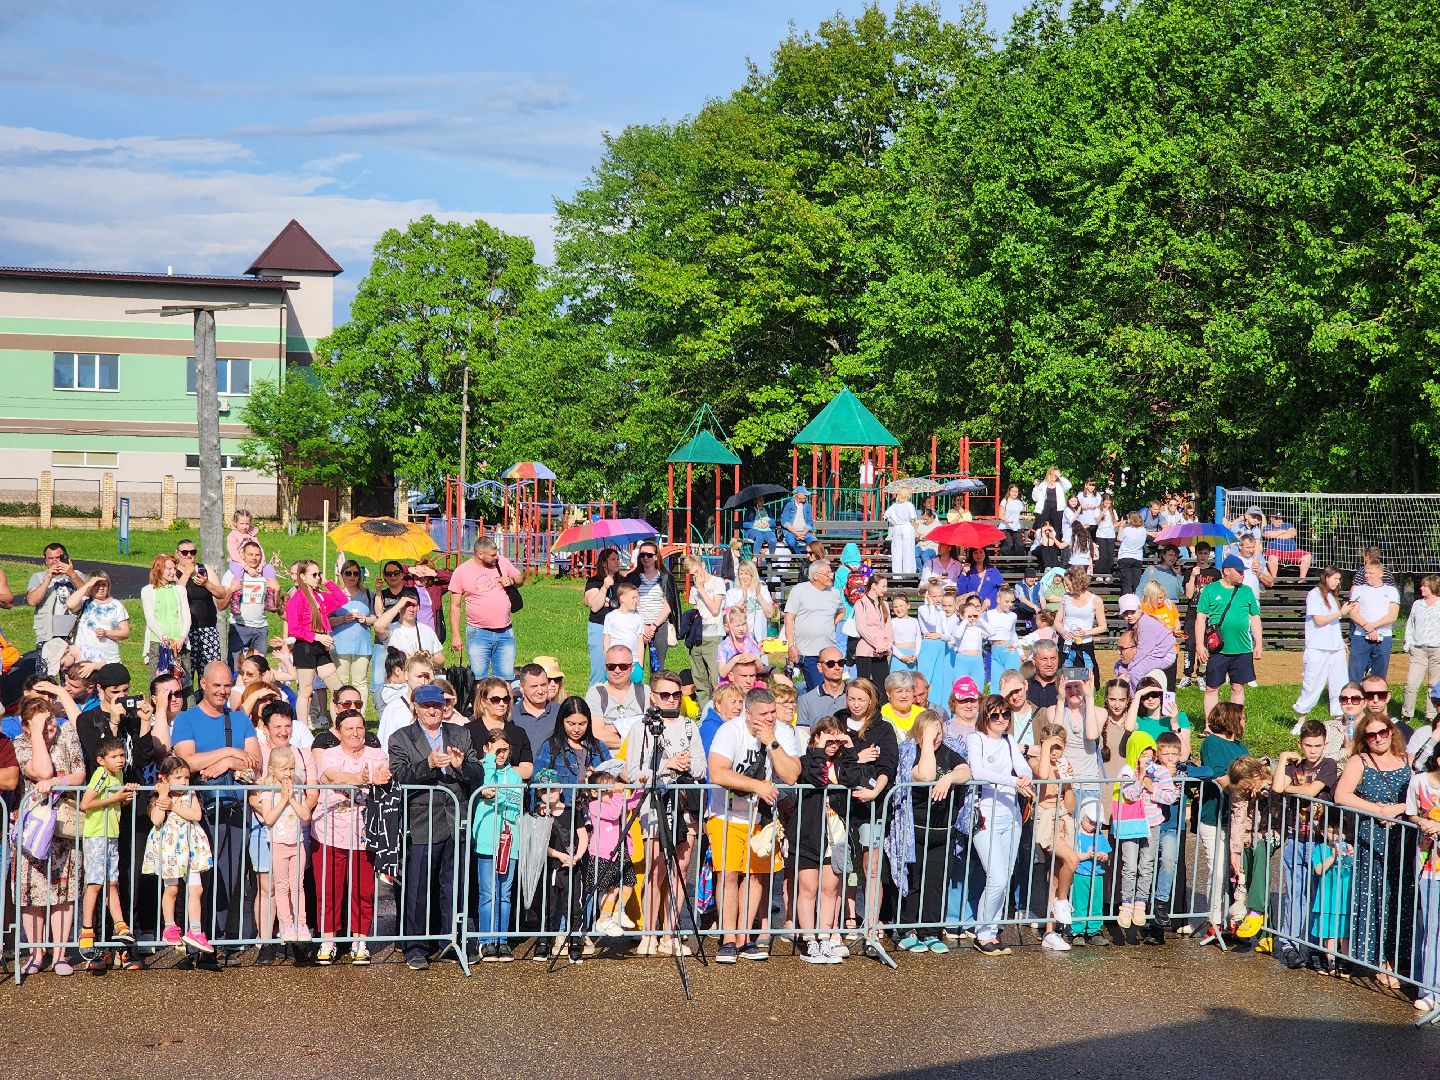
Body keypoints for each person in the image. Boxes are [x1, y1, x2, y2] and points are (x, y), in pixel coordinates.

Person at [389, 682, 483, 971]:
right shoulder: (401, 738)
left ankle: (449, 941)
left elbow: (477, 773)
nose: (432, 710)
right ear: (415, 707)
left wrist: (459, 767)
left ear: (445, 707)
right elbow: (400, 776)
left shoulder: (461, 733)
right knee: (417, 887)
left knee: (453, 886)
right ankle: (415, 946)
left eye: (437, 705)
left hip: (455, 820)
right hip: (422, 821)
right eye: (426, 705)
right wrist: (428, 764)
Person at [171, 662, 260, 961]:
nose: (222, 691)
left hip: (233, 809)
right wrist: (230, 753)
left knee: (228, 876)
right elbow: (187, 762)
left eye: (227, 685)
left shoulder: (240, 719)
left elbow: (255, 763)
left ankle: (217, 943)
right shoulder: (186, 719)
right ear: (204, 685)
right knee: (197, 879)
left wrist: (225, 764)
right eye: (216, 685)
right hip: (197, 811)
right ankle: (194, 939)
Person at [705, 687, 801, 963]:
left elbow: (792, 774)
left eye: (772, 713)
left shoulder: (781, 732)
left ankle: (745, 936)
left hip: (763, 817)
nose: (769, 718)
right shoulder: (730, 731)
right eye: (763, 714)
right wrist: (756, 785)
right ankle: (728, 938)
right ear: (748, 714)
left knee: (757, 875)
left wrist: (771, 741)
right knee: (730, 874)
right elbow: (717, 771)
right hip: (728, 814)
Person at [622, 669, 705, 956]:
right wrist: (668, 765)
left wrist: (686, 764)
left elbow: (701, 766)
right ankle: (650, 933)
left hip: (685, 805)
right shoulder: (641, 728)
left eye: (676, 694)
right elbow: (633, 772)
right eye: (665, 695)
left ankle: (671, 931)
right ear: (654, 697)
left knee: (680, 868)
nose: (671, 700)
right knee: (656, 870)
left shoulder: (690, 726)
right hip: (656, 806)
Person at [1335, 714, 1412, 989]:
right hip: (1373, 840)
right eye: (1371, 735)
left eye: (1383, 732)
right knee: (1376, 900)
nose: (1378, 738)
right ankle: (1379, 960)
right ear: (1363, 739)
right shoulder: (1360, 761)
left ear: (1392, 731)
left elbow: (1415, 797)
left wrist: (1399, 809)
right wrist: (1379, 810)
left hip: (1404, 842)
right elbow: (1341, 796)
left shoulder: (1406, 759)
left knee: (1400, 899)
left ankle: (1399, 958)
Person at [16, 693, 86, 975]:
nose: (49, 726)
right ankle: (35, 953)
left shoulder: (67, 737)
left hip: (63, 828)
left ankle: (60, 954)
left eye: (50, 719)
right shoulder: (21, 744)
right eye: (42, 722)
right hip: (33, 830)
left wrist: (58, 781)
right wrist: (35, 733)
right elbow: (40, 769)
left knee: (63, 892)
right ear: (26, 726)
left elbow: (80, 773)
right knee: (31, 894)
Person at [792, 717, 869, 963]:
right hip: (809, 832)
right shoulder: (806, 761)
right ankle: (808, 941)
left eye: (837, 739)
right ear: (815, 737)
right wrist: (818, 749)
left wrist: (849, 747)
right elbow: (817, 778)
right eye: (828, 739)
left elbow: (853, 777)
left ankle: (825, 938)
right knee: (808, 888)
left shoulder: (842, 761)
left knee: (829, 888)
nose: (833, 744)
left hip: (836, 834)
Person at [892, 709, 969, 954]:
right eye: (932, 731)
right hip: (914, 831)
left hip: (942, 831)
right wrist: (925, 741)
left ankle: (931, 931)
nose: (937, 736)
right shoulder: (910, 753)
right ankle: (908, 929)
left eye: (939, 731)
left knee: (936, 882)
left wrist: (949, 778)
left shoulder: (948, 752)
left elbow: (966, 771)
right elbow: (924, 775)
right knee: (912, 881)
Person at [965, 694, 1035, 956]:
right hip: (986, 816)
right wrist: (1014, 781)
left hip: (1012, 816)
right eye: (995, 715)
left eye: (1005, 714)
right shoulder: (976, 739)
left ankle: (991, 931)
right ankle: (981, 932)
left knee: (1003, 879)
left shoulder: (1009, 741)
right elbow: (979, 771)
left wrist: (1025, 777)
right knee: (997, 877)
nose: (1001, 719)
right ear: (986, 716)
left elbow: (1023, 767)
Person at [1269, 720, 1340, 967]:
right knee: (1295, 893)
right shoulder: (1293, 766)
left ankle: (1309, 944)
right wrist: (1282, 758)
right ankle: (1289, 943)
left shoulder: (1329, 765)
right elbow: (1278, 786)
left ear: (1325, 744)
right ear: (1300, 744)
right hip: (1295, 838)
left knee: (1316, 894)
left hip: (1319, 840)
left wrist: (1293, 788)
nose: (1312, 751)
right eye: (1308, 745)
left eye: (1317, 745)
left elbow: (1312, 792)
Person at [143, 754, 214, 955]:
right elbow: (156, 820)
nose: (183, 782)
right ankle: (170, 926)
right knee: (172, 889)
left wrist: (175, 806)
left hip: (189, 847)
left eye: (186, 778)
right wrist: (164, 797)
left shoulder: (189, 794)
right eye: (178, 778)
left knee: (196, 889)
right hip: (170, 849)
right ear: (164, 779)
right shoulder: (160, 798)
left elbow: (197, 815)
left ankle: (196, 931)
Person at [1112, 731, 1178, 946]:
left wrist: (1153, 787)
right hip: (1132, 825)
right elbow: (1128, 795)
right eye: (1143, 754)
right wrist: (1141, 780)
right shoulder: (1126, 770)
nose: (1147, 758)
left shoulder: (1160, 772)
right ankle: (1126, 905)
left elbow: (1171, 796)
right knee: (1130, 865)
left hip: (1153, 824)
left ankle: (1141, 903)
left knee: (1147, 865)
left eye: (1150, 753)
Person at [1194, 703, 1250, 944]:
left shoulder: (1240, 745)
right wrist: (1246, 781)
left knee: (1235, 872)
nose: (1245, 721)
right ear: (1230, 718)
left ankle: (1233, 919)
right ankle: (1213, 920)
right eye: (1242, 717)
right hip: (1213, 815)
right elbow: (1221, 777)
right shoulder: (1212, 743)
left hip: (1236, 819)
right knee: (1217, 870)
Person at [77, 735, 138, 957]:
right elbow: (86, 803)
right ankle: (86, 930)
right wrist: (115, 799)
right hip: (97, 835)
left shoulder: (118, 774)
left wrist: (126, 795)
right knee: (95, 883)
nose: (120, 760)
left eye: (122, 755)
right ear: (101, 760)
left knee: (112, 882)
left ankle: (121, 924)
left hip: (111, 835)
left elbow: (118, 798)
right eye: (114, 756)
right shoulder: (101, 774)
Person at [472, 727, 523, 961]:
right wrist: (489, 762)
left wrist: (497, 796)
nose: (501, 754)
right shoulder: (482, 768)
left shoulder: (513, 775)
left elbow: (514, 803)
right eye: (497, 750)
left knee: (504, 893)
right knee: (488, 893)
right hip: (486, 839)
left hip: (509, 839)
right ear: (487, 749)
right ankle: (486, 940)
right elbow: (484, 787)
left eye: (505, 750)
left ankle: (501, 940)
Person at [1026, 722, 1079, 950]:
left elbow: (1071, 805)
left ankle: (1050, 931)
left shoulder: (1066, 765)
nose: (1056, 752)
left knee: (1056, 876)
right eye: (1052, 746)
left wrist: (1067, 783)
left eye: (1059, 747)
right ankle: (1062, 902)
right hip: (1045, 819)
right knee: (1072, 859)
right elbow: (1045, 776)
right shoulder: (1036, 762)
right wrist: (1046, 749)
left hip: (1064, 819)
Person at [1195, 555, 1263, 716]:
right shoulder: (1210, 590)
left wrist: (1258, 644)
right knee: (1212, 687)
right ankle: (1209, 726)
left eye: (1243, 571)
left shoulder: (1246, 591)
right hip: (1218, 648)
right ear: (1226, 571)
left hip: (1242, 649)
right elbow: (1201, 618)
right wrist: (1199, 644)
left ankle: (1235, 725)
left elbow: (1255, 618)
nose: (1242, 574)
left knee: (1237, 687)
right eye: (1238, 571)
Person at [448, 536, 523, 683]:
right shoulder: (462, 571)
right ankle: (480, 706)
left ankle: (502, 704)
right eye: (492, 555)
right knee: (478, 678)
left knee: (506, 678)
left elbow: (520, 578)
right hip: (478, 632)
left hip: (505, 632)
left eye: (497, 554)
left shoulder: (502, 562)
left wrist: (512, 581)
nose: (496, 557)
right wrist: (456, 636)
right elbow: (455, 606)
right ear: (480, 554)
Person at [285, 560, 346, 730]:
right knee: (306, 691)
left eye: (319, 574)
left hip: (320, 648)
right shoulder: (296, 599)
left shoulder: (319, 595)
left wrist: (326, 581)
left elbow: (341, 599)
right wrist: (317, 637)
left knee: (337, 689)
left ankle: (339, 727)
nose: (317, 577)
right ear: (302, 577)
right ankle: (302, 730)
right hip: (305, 648)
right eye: (314, 575)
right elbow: (294, 629)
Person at [1292, 567, 1352, 732]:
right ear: (1326, 577)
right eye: (1335, 578)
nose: (1337, 582)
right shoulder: (1314, 594)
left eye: (1339, 579)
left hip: (1335, 648)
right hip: (1318, 648)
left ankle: (1341, 721)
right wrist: (1341, 612)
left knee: (1340, 684)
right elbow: (1319, 620)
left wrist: (1341, 642)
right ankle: (1300, 721)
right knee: (1312, 684)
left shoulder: (1333, 597)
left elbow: (1333, 625)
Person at [1405, 747, 1440, 1011]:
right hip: (1428, 867)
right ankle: (1428, 989)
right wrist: (1423, 822)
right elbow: (1411, 812)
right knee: (1430, 929)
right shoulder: (1419, 781)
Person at [176, 540, 228, 696]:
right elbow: (175, 594)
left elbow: (221, 593)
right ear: (177, 553)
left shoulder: (204, 569)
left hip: (208, 631)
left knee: (210, 673)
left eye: (193, 552)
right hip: (186, 633)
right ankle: (188, 706)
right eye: (185, 553)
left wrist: (206, 584)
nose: (189, 556)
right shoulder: (174, 571)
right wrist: (186, 573)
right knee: (187, 673)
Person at [784, 560, 844, 690]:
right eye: (827, 573)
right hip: (808, 652)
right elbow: (789, 618)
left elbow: (842, 611)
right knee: (817, 689)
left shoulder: (834, 593)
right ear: (816, 576)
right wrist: (791, 646)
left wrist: (830, 624)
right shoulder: (799, 590)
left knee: (833, 687)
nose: (831, 575)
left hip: (829, 651)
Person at [221, 539, 279, 668]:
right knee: (236, 667)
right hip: (239, 626)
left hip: (261, 628)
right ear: (242, 555)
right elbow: (221, 605)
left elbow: (274, 608)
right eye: (250, 554)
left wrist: (277, 590)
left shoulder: (265, 574)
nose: (254, 558)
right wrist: (231, 590)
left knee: (260, 668)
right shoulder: (232, 574)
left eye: (257, 555)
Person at [625, 541, 680, 675]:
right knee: (635, 665)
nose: (645, 558)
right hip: (638, 625)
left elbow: (668, 605)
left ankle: (655, 693)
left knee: (657, 667)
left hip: (659, 626)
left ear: (656, 557)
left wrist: (653, 626)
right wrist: (642, 627)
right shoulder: (633, 578)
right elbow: (628, 604)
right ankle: (637, 693)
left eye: (649, 555)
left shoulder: (666, 578)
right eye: (642, 555)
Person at [328, 560, 375, 714]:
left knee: (360, 682)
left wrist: (366, 619)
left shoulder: (368, 594)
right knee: (340, 683)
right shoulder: (334, 596)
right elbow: (326, 621)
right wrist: (343, 619)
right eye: (348, 573)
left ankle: (358, 715)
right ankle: (340, 715)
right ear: (342, 575)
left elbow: (376, 617)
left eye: (356, 573)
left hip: (362, 646)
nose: (352, 576)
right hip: (340, 645)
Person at [1310, 813, 1354, 978]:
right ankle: (1331, 961)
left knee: (1344, 932)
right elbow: (1318, 870)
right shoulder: (1320, 849)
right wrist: (1333, 857)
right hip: (1328, 898)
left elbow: (1353, 868)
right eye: (1331, 831)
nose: (1336, 835)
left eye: (1339, 831)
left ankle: (1345, 961)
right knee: (1329, 932)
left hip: (1345, 899)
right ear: (1323, 832)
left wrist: (1352, 855)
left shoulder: (1348, 847)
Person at [468, 676, 534, 781]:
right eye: (495, 699)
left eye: (506, 699)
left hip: (511, 794)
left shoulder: (518, 732)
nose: (502, 704)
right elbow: (467, 769)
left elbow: (527, 770)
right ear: (483, 702)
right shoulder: (468, 731)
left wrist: (500, 769)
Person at [584, 645, 648, 751]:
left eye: (623, 666)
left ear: (632, 668)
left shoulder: (645, 692)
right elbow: (596, 735)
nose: (617, 670)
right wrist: (636, 734)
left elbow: (652, 732)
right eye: (611, 666)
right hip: (607, 763)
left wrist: (611, 728)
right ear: (605, 667)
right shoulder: (595, 694)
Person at [141, 552, 192, 683]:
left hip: (179, 644)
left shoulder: (180, 590)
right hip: (159, 642)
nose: (173, 571)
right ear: (159, 569)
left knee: (183, 682)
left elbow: (187, 617)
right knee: (158, 682)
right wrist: (164, 637)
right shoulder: (148, 591)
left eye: (174, 568)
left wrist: (182, 638)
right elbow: (150, 619)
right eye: (169, 568)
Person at [26, 542, 85, 650]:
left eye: (58, 558)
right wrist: (47, 579)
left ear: (66, 558)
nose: (55, 562)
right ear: (46, 561)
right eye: (51, 558)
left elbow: (90, 593)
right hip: (47, 635)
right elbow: (32, 601)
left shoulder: (77, 575)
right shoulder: (38, 577)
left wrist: (72, 574)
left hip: (76, 636)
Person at [1069, 800, 1111, 946]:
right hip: (1080, 874)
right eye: (1090, 821)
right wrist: (1090, 855)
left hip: (1097, 874)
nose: (1093, 826)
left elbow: (1106, 853)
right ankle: (1078, 931)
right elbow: (1073, 854)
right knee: (1080, 903)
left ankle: (1094, 930)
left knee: (1096, 903)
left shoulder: (1099, 836)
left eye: (1096, 823)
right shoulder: (1076, 835)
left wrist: (1104, 856)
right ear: (1082, 817)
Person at [64, 572, 128, 666]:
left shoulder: (116, 605)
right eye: (96, 585)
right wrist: (87, 585)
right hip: (84, 659)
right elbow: (70, 604)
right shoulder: (84, 602)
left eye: (104, 585)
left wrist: (106, 633)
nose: (101, 588)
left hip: (109, 659)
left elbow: (125, 632)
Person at [1115, 593, 1175, 691]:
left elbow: (1143, 650)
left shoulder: (1145, 625)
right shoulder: (1134, 623)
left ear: (1140, 609)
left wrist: (1129, 667)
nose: (1129, 616)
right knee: (1118, 666)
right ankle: (1126, 693)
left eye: (1132, 612)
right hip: (1152, 653)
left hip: (1164, 655)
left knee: (1135, 672)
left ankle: (1137, 696)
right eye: (1125, 614)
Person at [1403, 575, 1440, 724]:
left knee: (1433, 684)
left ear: (1432, 587)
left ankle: (1431, 716)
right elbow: (1410, 624)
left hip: (1437, 650)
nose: (1421, 588)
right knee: (1411, 683)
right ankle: (1406, 714)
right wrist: (1409, 643)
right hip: (1418, 649)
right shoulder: (1417, 604)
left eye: (1424, 586)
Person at [377, 653, 433, 749]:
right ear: (407, 675)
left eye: (427, 677)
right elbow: (385, 744)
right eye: (419, 676)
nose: (423, 682)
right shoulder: (394, 708)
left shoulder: (436, 707)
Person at [582, 548, 621, 687]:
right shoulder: (594, 582)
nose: (617, 562)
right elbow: (595, 606)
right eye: (613, 559)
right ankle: (595, 701)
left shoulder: (622, 582)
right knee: (599, 668)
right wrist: (604, 587)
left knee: (617, 668)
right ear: (604, 563)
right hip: (599, 626)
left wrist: (609, 602)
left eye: (618, 559)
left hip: (619, 627)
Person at [1057, 569, 1107, 676]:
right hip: (1066, 643)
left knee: (1086, 675)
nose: (1065, 587)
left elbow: (1103, 627)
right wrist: (1064, 632)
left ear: (1076, 582)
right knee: (1063, 674)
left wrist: (1086, 632)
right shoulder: (1066, 597)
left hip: (1084, 645)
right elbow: (1057, 622)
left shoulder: (1096, 600)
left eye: (1067, 584)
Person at [796, 646, 847, 740]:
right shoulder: (806, 700)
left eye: (841, 663)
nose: (837, 667)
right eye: (830, 664)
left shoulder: (854, 696)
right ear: (820, 667)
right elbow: (803, 738)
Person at [511, 663, 560, 760]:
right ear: (522, 688)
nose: (540, 691)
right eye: (534, 686)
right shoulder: (511, 715)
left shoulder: (560, 712)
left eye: (543, 685)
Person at [852, 573, 893, 688]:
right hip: (866, 650)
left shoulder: (884, 604)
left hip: (882, 650)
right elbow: (862, 628)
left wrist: (887, 644)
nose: (885, 589)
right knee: (864, 686)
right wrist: (877, 644)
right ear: (874, 586)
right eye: (883, 586)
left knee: (883, 687)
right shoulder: (860, 603)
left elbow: (888, 627)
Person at [725, 560, 775, 649]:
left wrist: (759, 595)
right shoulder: (732, 593)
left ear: (753, 575)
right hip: (740, 642)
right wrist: (743, 598)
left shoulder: (762, 590)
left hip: (760, 640)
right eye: (741, 573)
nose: (743, 577)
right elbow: (728, 617)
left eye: (746, 574)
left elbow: (770, 614)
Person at [1263, 510, 1312, 582]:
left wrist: (1277, 535)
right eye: (1277, 518)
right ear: (1271, 519)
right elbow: (1268, 535)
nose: (1279, 521)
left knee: (1307, 556)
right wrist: (1283, 532)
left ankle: (1301, 580)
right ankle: (1274, 579)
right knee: (1272, 558)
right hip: (1275, 552)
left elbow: (1293, 533)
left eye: (1280, 518)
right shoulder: (1268, 527)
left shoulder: (1288, 525)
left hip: (1291, 551)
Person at [1114, 512, 1149, 597]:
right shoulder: (1143, 530)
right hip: (1137, 558)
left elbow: (1119, 539)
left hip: (1125, 557)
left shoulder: (1127, 530)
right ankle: (1136, 599)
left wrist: (1121, 526)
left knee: (1127, 582)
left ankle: (1128, 602)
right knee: (1136, 582)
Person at [884, 491, 919, 575]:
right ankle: (908, 574)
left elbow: (886, 515)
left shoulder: (894, 506)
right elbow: (913, 518)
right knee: (908, 551)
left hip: (897, 528)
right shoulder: (909, 505)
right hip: (907, 527)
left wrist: (895, 522)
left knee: (897, 552)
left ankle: (897, 574)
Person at [778, 485, 817, 552]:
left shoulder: (807, 506)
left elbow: (809, 521)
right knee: (792, 543)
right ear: (798, 495)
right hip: (791, 532)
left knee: (815, 543)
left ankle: (803, 556)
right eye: (804, 494)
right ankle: (802, 559)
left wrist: (803, 533)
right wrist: (796, 533)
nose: (806, 496)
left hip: (804, 532)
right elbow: (784, 521)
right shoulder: (788, 504)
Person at [741, 496, 778, 566]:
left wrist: (768, 524)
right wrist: (755, 524)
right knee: (759, 537)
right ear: (755, 501)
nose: (762, 501)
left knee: (773, 539)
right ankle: (755, 557)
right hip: (754, 530)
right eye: (760, 500)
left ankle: (772, 555)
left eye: (763, 500)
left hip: (766, 530)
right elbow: (745, 524)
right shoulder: (750, 510)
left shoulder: (767, 510)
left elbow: (774, 522)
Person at [998, 484, 1025, 557]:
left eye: (1016, 492)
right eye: (1013, 491)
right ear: (1009, 491)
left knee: (1019, 545)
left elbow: (1017, 515)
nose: (1015, 493)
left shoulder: (1018, 502)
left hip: (1016, 527)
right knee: (1009, 544)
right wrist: (1007, 520)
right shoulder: (1005, 501)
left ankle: (1018, 563)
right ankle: (1004, 560)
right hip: (1005, 527)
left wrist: (1026, 517)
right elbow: (1000, 515)